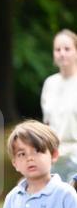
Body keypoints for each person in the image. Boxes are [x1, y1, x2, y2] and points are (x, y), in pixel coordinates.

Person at [41, 28, 77, 182]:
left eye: (67, 49)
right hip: (55, 158)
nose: (62, 53)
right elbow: (46, 125)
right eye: (58, 49)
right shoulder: (50, 83)